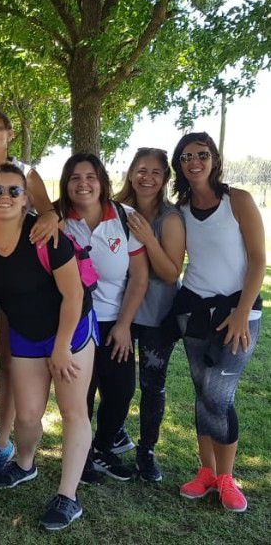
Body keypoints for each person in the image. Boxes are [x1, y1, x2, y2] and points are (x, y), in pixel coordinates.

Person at [0, 163, 95, 530]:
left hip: (69, 327)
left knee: (73, 410)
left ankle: (68, 496)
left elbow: (74, 295)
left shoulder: (47, 236)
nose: (5, 197)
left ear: (26, 198)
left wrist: (61, 347)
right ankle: (25, 464)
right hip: (25, 331)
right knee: (26, 416)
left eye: (14, 191)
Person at [0, 110, 60, 480]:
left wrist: (51, 216)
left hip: (16, 278)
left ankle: (4, 443)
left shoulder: (26, 172)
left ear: (10, 133)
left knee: (11, 359)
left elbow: (49, 215)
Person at [169, 132, 263, 512]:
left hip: (239, 312)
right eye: (187, 155)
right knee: (202, 393)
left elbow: (258, 259)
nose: (195, 161)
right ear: (179, 163)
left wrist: (242, 312)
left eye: (202, 154)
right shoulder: (181, 209)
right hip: (193, 310)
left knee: (219, 396)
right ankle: (206, 472)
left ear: (214, 159)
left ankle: (226, 478)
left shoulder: (237, 200)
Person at [58, 153, 148, 483]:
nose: (83, 183)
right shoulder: (57, 220)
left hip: (114, 322)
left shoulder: (125, 217)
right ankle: (79, 461)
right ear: (66, 184)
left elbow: (139, 277)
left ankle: (103, 448)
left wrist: (124, 325)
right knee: (81, 395)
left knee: (121, 391)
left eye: (91, 176)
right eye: (75, 178)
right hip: (76, 321)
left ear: (102, 182)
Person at [115, 148, 185, 481]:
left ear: (165, 180)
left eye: (156, 172)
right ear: (131, 173)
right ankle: (111, 436)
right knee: (116, 382)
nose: (147, 177)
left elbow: (170, 273)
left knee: (152, 385)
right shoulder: (115, 209)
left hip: (158, 315)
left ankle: (147, 451)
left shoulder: (170, 218)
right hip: (119, 310)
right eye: (141, 170)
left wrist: (147, 238)